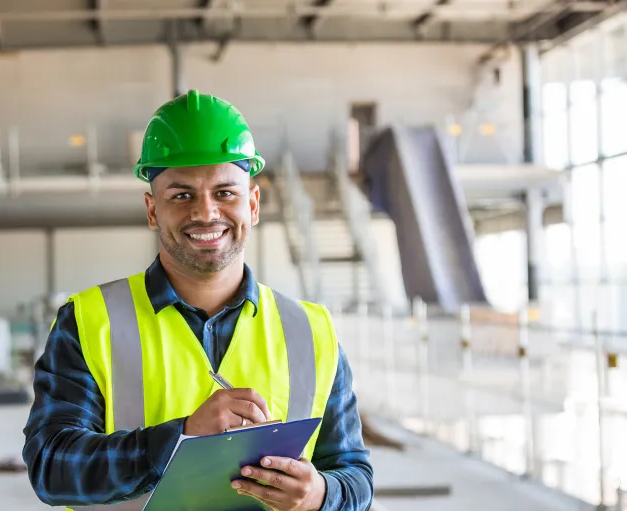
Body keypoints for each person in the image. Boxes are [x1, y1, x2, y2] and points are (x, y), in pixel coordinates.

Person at [22, 90, 374, 511]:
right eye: (182, 195)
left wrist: (319, 494)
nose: (206, 213)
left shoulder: (310, 332)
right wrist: (179, 438)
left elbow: (355, 476)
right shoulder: (89, 322)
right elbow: (52, 465)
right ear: (153, 210)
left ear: (253, 204)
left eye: (225, 193)